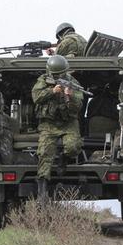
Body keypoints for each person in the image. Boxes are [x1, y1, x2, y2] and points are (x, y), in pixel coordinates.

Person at [32, 55, 84, 201]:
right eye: (55, 74)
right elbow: (36, 97)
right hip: (49, 124)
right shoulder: (43, 80)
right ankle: (42, 188)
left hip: (69, 123)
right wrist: (52, 91)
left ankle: (63, 160)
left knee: (73, 147)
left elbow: (78, 106)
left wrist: (70, 96)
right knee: (44, 152)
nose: (58, 76)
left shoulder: (73, 83)